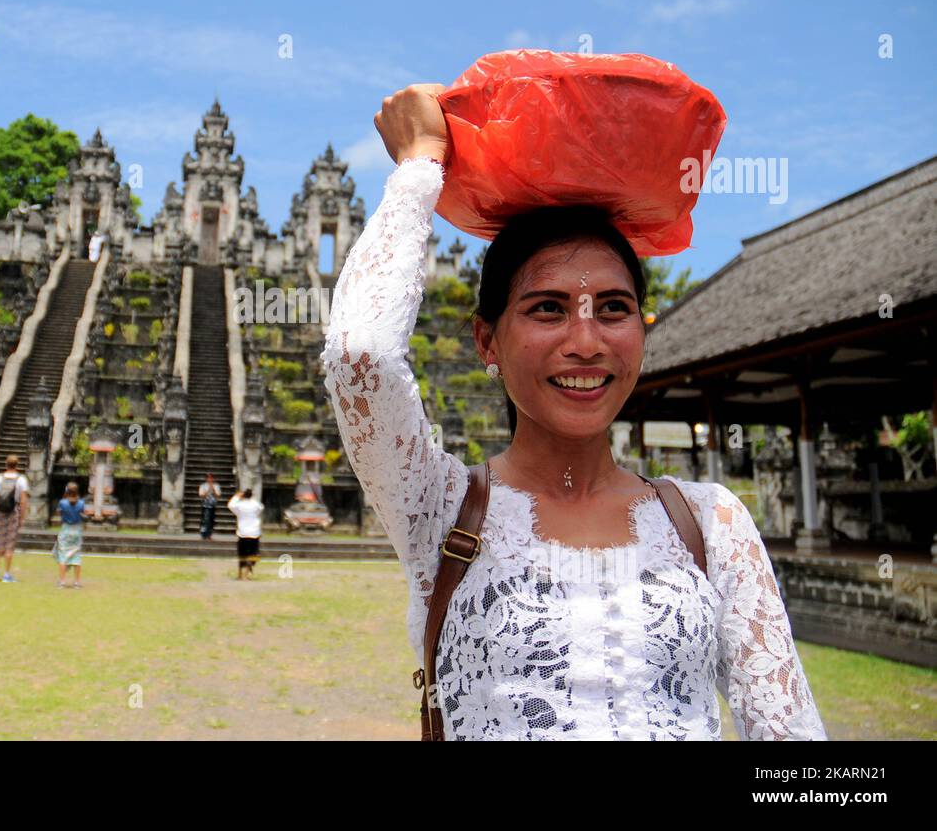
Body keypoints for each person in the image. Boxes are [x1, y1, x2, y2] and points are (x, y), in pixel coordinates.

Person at [318, 83, 827, 740]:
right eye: (547, 308)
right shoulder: (439, 505)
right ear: (486, 340)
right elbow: (361, 354)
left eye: (612, 308)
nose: (586, 342)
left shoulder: (710, 523)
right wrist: (418, 166)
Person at [0, 454, 29, 583]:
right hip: (13, 512)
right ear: (17, 465)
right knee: (9, 545)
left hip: (0, 513)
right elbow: (23, 501)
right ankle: (6, 574)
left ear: (6, 464)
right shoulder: (21, 479)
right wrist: (22, 518)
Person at [53, 481, 86, 588]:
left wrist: (65, 496)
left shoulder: (63, 502)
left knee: (63, 556)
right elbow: (83, 513)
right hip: (77, 530)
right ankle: (77, 582)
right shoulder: (81, 503)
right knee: (76, 556)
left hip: (66, 529)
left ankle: (62, 581)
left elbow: (58, 513)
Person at [228, 488, 263, 580]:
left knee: (242, 554)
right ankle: (248, 572)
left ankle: (240, 574)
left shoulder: (239, 505)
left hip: (242, 532)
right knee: (253, 553)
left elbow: (230, 505)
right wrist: (253, 498)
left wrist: (236, 496)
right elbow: (260, 508)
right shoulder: (255, 505)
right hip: (254, 532)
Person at [198, 472, 221, 539]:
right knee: (204, 519)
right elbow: (201, 495)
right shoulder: (203, 486)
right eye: (208, 477)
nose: (210, 479)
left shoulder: (216, 486)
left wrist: (213, 489)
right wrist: (208, 490)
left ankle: (209, 534)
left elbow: (218, 495)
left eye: (211, 477)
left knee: (211, 520)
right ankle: (203, 534)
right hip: (205, 505)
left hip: (213, 505)